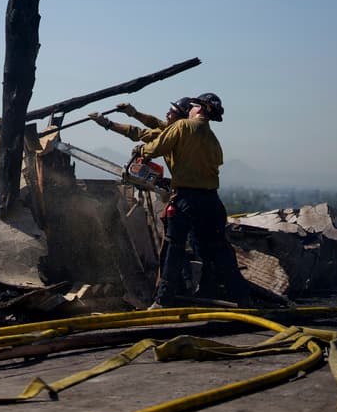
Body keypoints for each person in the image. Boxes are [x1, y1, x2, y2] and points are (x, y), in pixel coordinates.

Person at [136, 92, 249, 307]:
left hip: (186, 199)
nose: (189, 108)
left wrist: (142, 149)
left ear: (199, 108)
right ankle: (239, 296)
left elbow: (157, 148)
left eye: (192, 105)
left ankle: (163, 301)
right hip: (212, 202)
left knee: (174, 248)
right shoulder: (214, 140)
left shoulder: (182, 127)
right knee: (218, 249)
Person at [88, 98, 192, 142]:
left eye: (172, 111)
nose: (167, 113)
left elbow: (139, 134)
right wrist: (134, 113)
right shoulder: (184, 131)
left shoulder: (175, 135)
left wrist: (108, 124)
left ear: (181, 118)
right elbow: (156, 123)